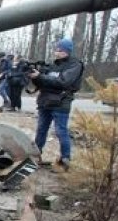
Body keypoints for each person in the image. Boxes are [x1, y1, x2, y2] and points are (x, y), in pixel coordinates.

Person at [29, 38, 85, 171]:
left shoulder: (75, 65)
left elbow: (63, 82)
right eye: (56, 50)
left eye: (60, 50)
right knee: (41, 129)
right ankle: (35, 156)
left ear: (67, 51)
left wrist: (41, 76)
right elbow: (43, 82)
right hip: (45, 101)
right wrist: (35, 77)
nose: (57, 52)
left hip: (61, 102)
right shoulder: (52, 66)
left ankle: (65, 160)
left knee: (61, 131)